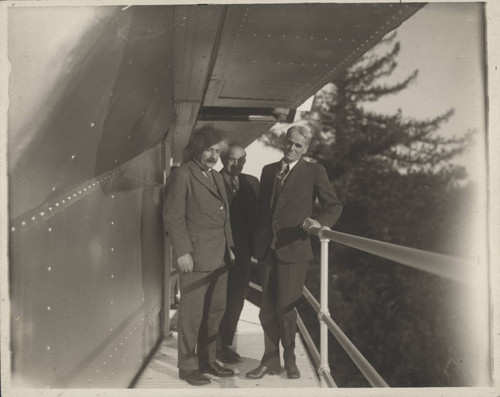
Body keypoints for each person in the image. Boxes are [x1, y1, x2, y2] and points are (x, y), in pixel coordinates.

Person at [246, 125, 343, 380]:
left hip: (294, 249)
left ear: (306, 148)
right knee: (266, 308)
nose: (291, 148)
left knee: (286, 309)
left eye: (298, 145)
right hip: (267, 249)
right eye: (289, 143)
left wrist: (319, 222)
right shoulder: (268, 171)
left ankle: (290, 361)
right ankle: (269, 361)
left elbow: (333, 205)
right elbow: (263, 213)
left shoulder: (314, 171)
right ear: (284, 141)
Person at [163, 125, 235, 386]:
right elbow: (172, 215)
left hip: (220, 258)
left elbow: (224, 215)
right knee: (191, 315)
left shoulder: (215, 177)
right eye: (209, 150)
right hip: (194, 259)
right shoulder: (183, 174)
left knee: (215, 312)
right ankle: (188, 366)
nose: (213, 156)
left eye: (217, 151)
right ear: (197, 148)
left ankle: (208, 359)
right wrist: (182, 251)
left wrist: (230, 247)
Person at [217, 143, 259, 364]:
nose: (238, 164)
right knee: (216, 300)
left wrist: (257, 250)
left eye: (242, 159)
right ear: (224, 159)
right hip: (217, 250)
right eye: (233, 159)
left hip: (242, 253)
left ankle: (224, 345)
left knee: (236, 300)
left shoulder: (251, 183)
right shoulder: (212, 180)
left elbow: (258, 218)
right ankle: (211, 346)